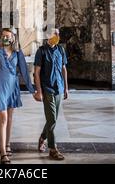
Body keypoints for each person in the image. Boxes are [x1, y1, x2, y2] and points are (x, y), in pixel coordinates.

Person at [0, 28, 36, 164]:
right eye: (3, 36)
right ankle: (3, 152)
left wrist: (32, 91)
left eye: (8, 36)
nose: (5, 38)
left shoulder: (18, 53)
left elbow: (25, 73)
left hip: (13, 88)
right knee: (3, 118)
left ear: (13, 38)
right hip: (0, 88)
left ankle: (7, 144)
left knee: (10, 118)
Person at [33, 28, 68, 160]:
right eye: (55, 34)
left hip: (58, 87)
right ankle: (53, 149)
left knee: (52, 119)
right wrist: (39, 91)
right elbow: (36, 72)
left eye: (58, 34)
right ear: (48, 36)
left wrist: (66, 88)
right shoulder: (41, 51)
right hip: (47, 89)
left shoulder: (60, 50)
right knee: (52, 119)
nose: (57, 36)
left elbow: (64, 69)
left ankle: (42, 137)